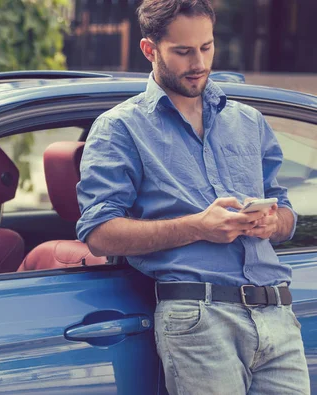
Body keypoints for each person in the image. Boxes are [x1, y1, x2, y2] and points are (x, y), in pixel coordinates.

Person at [75, 0, 310, 393]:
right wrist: (198, 227)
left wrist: (273, 221)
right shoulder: (120, 128)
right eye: (183, 52)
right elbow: (99, 232)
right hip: (199, 319)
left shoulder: (248, 121)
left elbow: (285, 211)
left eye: (206, 47)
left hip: (277, 315)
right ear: (150, 50)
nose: (198, 62)